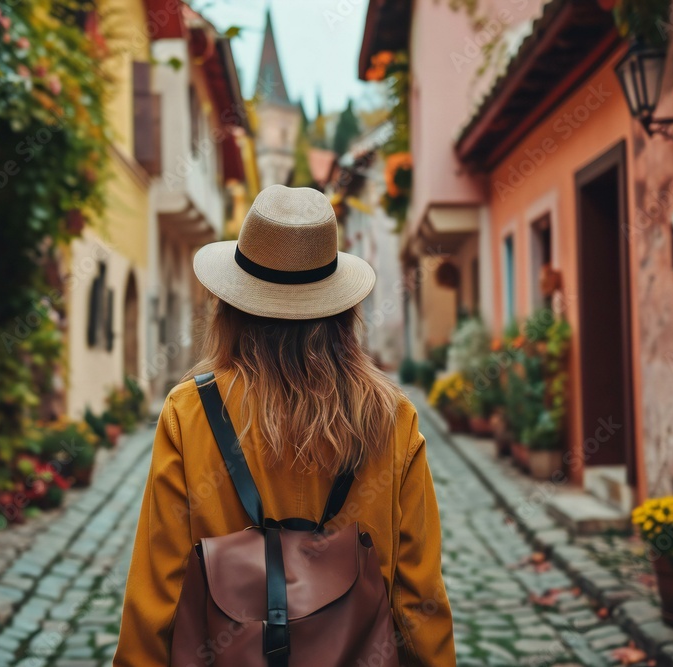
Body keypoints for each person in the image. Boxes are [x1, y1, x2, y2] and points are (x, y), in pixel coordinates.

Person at [113, 185, 456, 666]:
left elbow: (154, 597)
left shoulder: (189, 412)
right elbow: (419, 597)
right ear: (341, 310)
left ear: (231, 305)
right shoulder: (392, 418)